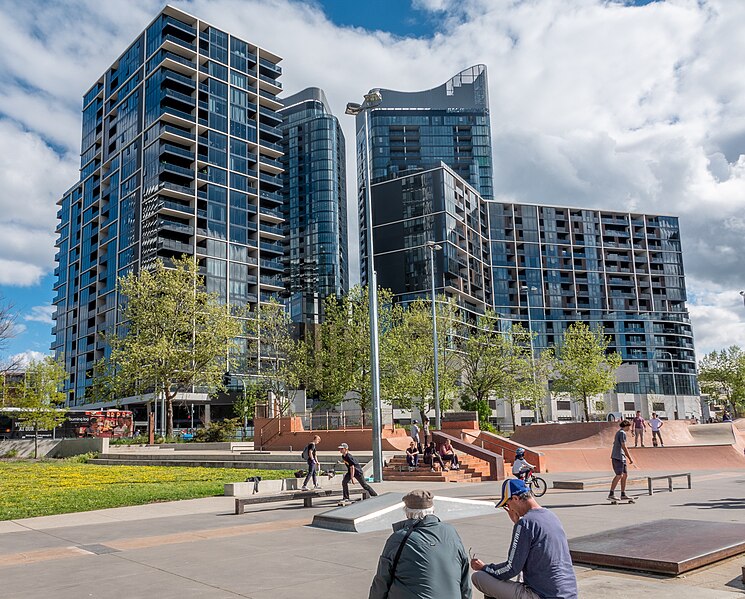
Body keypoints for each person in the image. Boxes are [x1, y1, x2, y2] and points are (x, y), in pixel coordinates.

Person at [470, 479, 578, 599]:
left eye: (507, 504)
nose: (509, 508)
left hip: (544, 595)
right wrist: (517, 523)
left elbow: (511, 569)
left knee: (480, 577)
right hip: (568, 593)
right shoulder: (550, 516)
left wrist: (484, 568)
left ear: (515, 499)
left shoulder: (525, 523)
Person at [369, 489, 472, 599]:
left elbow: (382, 581)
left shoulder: (399, 538)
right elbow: (464, 574)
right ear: (432, 510)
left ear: (407, 512)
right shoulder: (451, 532)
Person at [608, 420, 634, 501]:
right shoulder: (622, 433)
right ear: (626, 426)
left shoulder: (619, 432)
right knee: (619, 475)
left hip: (621, 457)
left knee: (625, 475)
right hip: (618, 456)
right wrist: (630, 457)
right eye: (629, 426)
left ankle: (623, 494)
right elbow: (624, 446)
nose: (629, 428)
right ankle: (611, 494)